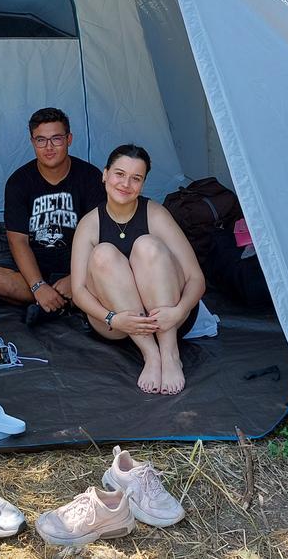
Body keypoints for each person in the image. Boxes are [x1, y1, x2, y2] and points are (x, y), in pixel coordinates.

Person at [71, 145, 205, 395]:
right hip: (117, 323)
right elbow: (78, 291)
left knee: (147, 245)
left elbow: (196, 277)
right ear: (105, 175)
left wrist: (179, 311)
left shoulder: (155, 214)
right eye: (119, 174)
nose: (126, 184)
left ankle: (169, 353)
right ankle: (151, 356)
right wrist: (113, 318)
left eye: (136, 178)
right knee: (103, 253)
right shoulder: (89, 224)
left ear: (143, 184)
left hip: (169, 320)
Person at [0, 107, 104, 323]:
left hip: (77, 260)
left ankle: (52, 304)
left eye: (56, 139)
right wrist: (38, 286)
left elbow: (100, 235)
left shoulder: (90, 177)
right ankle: (62, 301)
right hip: (37, 264)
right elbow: (17, 240)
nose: (48, 147)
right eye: (41, 140)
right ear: (32, 142)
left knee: (108, 273)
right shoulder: (19, 182)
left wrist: (75, 277)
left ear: (69, 139)